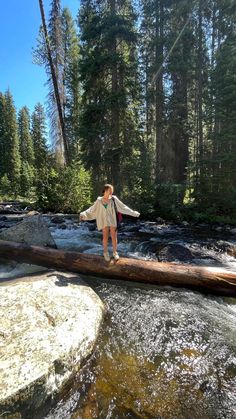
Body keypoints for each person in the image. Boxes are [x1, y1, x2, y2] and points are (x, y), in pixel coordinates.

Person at [80, 184, 140, 262]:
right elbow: (92, 209)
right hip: (104, 221)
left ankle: (115, 252)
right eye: (109, 190)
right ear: (105, 190)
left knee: (114, 237)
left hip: (112, 220)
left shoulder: (114, 199)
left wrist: (133, 213)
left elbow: (123, 207)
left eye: (112, 190)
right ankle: (106, 253)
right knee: (105, 237)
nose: (111, 192)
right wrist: (83, 214)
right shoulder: (99, 201)